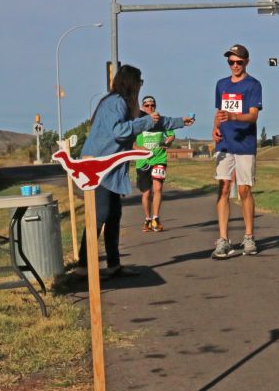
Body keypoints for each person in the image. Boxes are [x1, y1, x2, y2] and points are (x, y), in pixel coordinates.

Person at [74, 65, 194, 277]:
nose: (141, 86)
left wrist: (178, 122)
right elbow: (119, 132)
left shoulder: (126, 105)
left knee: (113, 216)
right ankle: (83, 268)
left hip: (110, 169)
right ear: (131, 83)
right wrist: (147, 120)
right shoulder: (115, 103)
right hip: (98, 168)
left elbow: (153, 122)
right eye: (140, 82)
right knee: (99, 216)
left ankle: (113, 266)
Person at [212, 44, 263, 259]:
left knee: (244, 191)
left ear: (246, 62)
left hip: (245, 145)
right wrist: (215, 128)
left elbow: (253, 116)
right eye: (231, 62)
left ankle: (249, 237)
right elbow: (219, 112)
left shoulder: (253, 85)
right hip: (224, 144)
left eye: (238, 62)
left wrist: (233, 117)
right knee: (223, 189)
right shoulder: (221, 84)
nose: (234, 65)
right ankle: (222, 239)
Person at [135, 95, 194, 232]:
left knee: (158, 188)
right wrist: (138, 149)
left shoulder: (161, 121)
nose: (150, 107)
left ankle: (156, 218)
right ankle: (147, 219)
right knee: (146, 192)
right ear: (143, 107)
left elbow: (171, 134)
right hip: (142, 161)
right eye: (147, 105)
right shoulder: (137, 122)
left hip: (159, 159)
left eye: (152, 105)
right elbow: (130, 140)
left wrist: (168, 142)